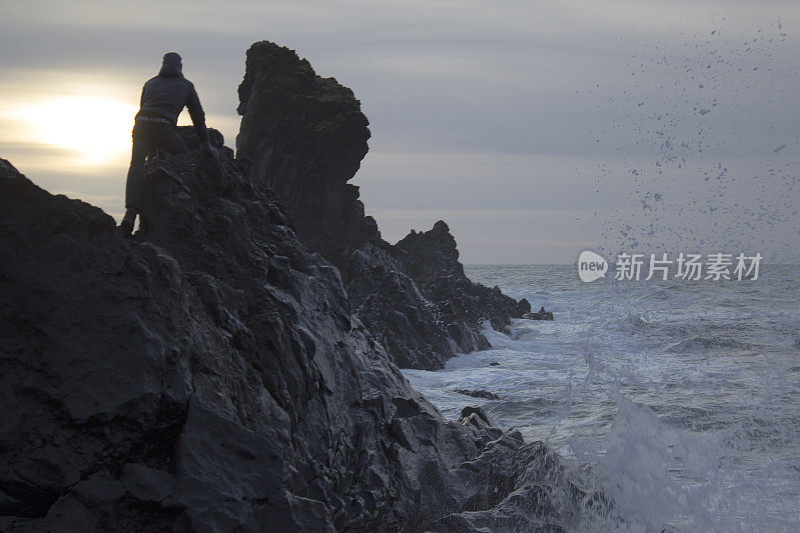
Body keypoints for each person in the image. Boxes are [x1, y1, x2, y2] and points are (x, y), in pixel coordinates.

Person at [119, 52, 216, 237]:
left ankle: (129, 214)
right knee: (184, 156)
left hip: (140, 124)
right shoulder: (186, 86)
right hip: (163, 125)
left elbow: (144, 109)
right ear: (180, 67)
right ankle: (162, 168)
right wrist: (206, 145)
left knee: (136, 166)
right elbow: (198, 118)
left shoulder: (149, 83)